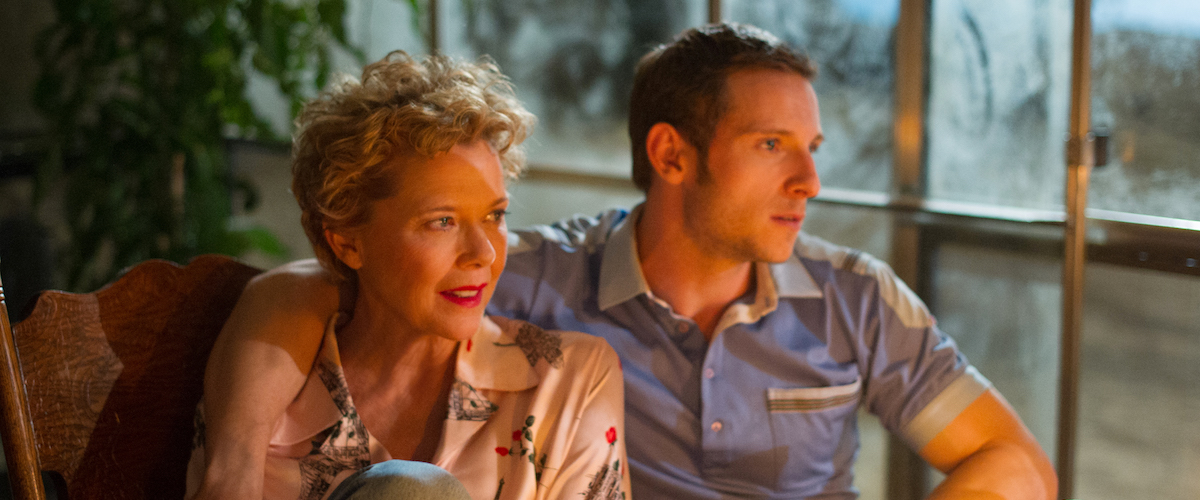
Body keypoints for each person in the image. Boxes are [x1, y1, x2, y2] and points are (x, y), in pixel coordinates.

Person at [204, 23, 1057, 499]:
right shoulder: (535, 276)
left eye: (811, 146)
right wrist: (234, 459)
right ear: (672, 155)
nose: (810, 178)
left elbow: (1016, 466)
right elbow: (317, 286)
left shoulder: (856, 297)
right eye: (772, 145)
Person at [188, 51, 630, 500]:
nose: (484, 253)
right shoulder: (257, 393)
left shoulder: (570, 382)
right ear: (347, 243)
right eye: (442, 221)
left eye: (495, 215)